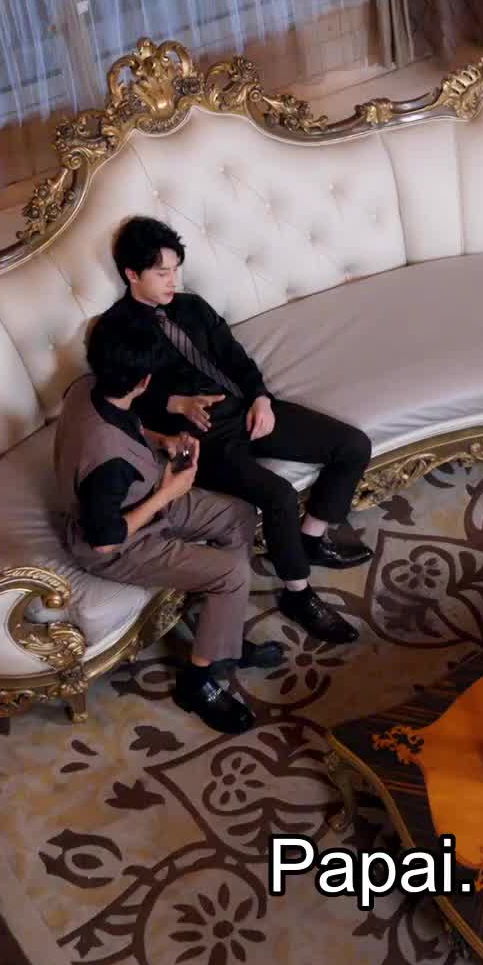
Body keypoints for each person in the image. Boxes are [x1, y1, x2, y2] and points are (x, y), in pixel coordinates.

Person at [109, 216, 373, 645]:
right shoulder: (116, 330)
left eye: (175, 270)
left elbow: (235, 357)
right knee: (279, 495)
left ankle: (310, 540)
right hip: (201, 437)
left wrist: (261, 398)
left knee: (352, 445)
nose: (173, 281)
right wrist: (175, 404)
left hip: (244, 409)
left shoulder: (192, 307)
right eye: (161, 273)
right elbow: (119, 396)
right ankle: (298, 594)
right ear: (132, 274)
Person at [54, 302, 282, 736]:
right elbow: (104, 539)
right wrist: (168, 493)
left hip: (142, 492)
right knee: (232, 574)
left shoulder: (87, 387)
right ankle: (198, 683)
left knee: (239, 514)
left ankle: (221, 640)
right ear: (144, 381)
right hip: (120, 543)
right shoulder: (107, 462)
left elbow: (127, 424)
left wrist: (164, 439)